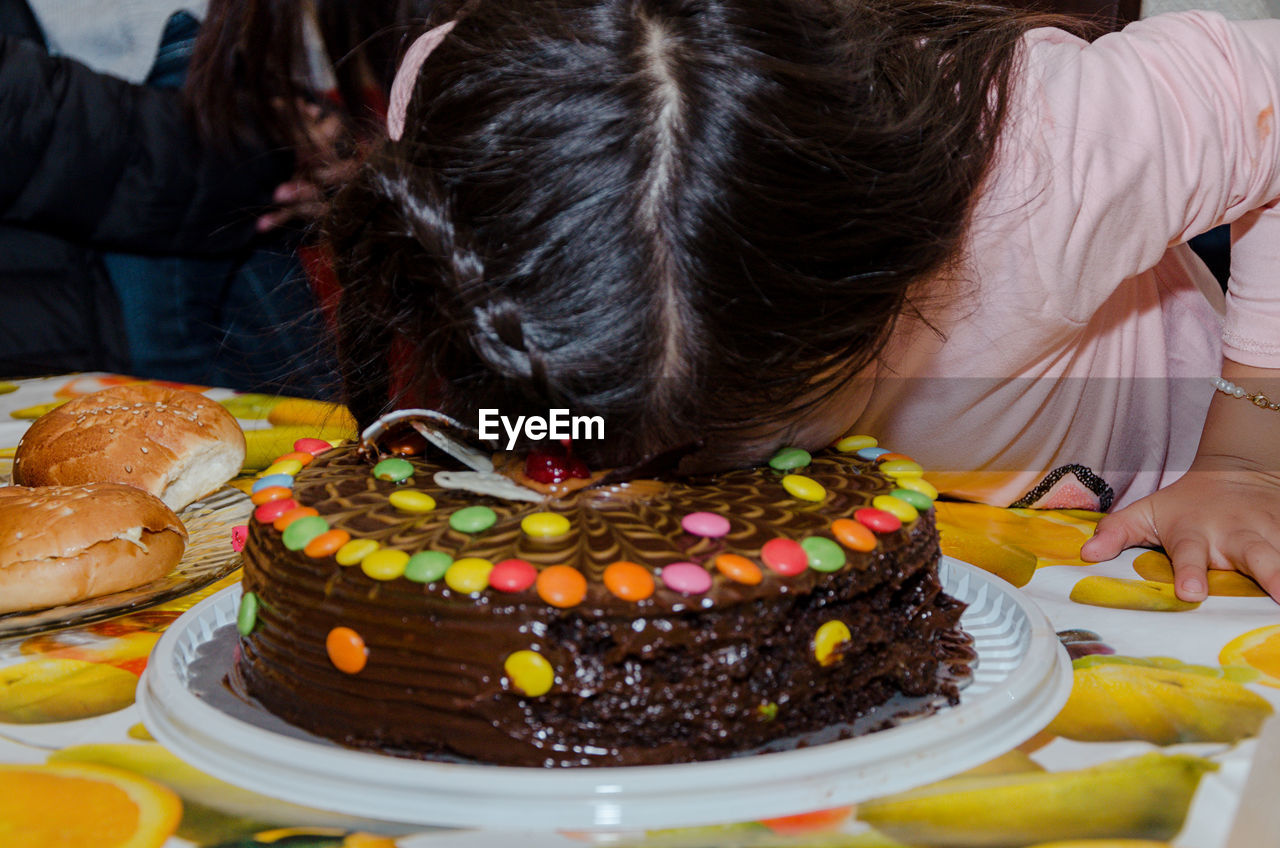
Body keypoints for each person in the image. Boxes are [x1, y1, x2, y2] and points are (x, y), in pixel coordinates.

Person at [322, 0, 1280, 605]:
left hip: (1144, 517)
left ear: (886, 263)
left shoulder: (1040, 161)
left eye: (747, 420)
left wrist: (1245, 458)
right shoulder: (476, 120)